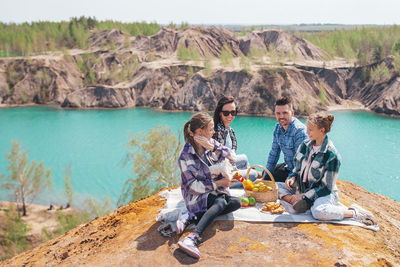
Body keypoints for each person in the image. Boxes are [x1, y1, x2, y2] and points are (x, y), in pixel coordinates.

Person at [277, 113, 377, 225]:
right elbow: (296, 168)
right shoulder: (304, 145)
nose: (306, 132)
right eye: (307, 129)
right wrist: (292, 178)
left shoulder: (332, 156)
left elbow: (326, 188)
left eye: (310, 129)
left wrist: (304, 196)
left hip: (323, 193)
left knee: (318, 212)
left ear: (322, 130)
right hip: (302, 188)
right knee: (273, 186)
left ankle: (354, 212)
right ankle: (294, 200)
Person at [177, 112, 241, 259]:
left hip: (213, 192)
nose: (213, 132)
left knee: (235, 202)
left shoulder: (211, 144)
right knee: (220, 201)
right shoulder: (185, 156)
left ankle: (192, 217)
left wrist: (213, 148)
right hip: (195, 197)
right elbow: (192, 187)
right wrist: (219, 183)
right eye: (211, 129)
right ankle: (193, 237)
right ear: (200, 132)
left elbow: (232, 156)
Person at [212, 96, 259, 187]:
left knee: (244, 158)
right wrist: (234, 171)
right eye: (226, 113)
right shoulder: (217, 132)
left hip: (228, 164)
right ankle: (241, 184)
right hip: (220, 174)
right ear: (220, 113)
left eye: (233, 112)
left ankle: (245, 183)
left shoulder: (229, 130)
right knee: (253, 174)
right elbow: (217, 162)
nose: (230, 116)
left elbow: (230, 156)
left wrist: (234, 169)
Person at [264, 96, 308, 182]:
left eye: (285, 113)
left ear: (292, 113)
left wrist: (291, 177)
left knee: (269, 180)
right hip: (289, 165)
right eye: (278, 113)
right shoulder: (278, 128)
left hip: (299, 173)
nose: (281, 117)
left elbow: (300, 163)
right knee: (266, 173)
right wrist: (266, 174)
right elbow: (274, 154)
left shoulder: (299, 131)